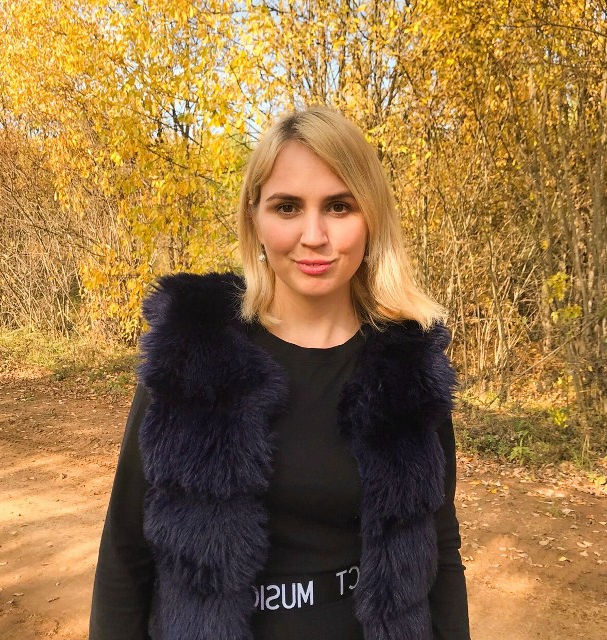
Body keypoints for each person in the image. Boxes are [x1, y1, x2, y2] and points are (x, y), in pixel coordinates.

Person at [89, 105, 470, 640]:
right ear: (255, 218)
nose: (314, 235)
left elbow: (439, 544)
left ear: (371, 217)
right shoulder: (195, 351)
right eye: (287, 207)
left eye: (339, 206)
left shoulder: (408, 366)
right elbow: (125, 551)